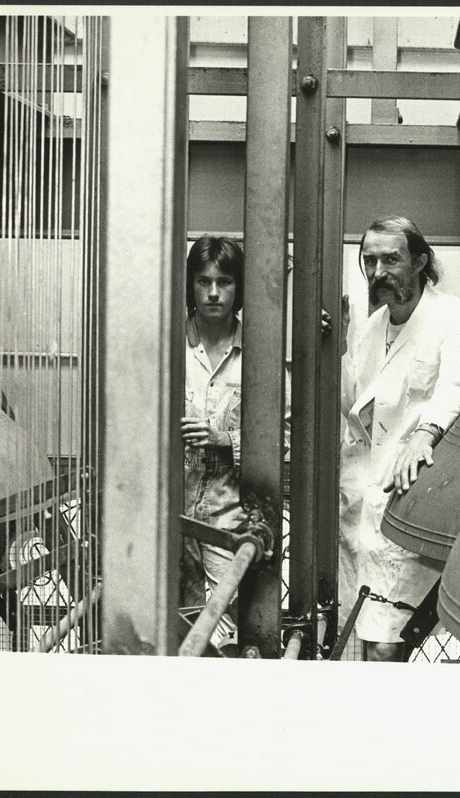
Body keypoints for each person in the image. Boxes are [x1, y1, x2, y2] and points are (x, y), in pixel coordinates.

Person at [339, 216, 460, 661]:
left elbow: (459, 383)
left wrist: (426, 433)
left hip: (405, 496)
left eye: (391, 258)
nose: (378, 271)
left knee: (388, 642)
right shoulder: (369, 327)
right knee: (353, 634)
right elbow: (353, 404)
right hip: (358, 499)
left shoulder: (454, 315)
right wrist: (338, 345)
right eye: (369, 260)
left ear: (420, 261)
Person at [180, 236, 248, 653]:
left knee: (236, 626)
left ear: (239, 288)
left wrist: (225, 441)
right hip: (170, 508)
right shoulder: (166, 346)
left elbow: (286, 436)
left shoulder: (259, 351)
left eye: (224, 282)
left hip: (232, 511)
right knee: (174, 624)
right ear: (190, 285)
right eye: (203, 281)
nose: (212, 292)